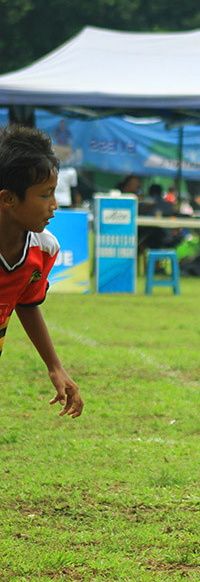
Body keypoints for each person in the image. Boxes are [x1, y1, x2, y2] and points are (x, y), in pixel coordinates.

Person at [0, 124, 83, 418]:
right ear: (8, 199)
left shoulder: (43, 249)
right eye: (46, 195)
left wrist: (55, 367)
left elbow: (27, 302)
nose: (54, 205)